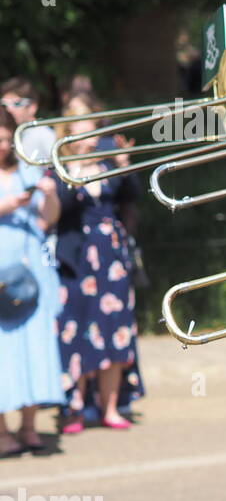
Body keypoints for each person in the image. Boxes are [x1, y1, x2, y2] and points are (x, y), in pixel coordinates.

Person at [53, 117, 143, 433]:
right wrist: (75, 169)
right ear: (69, 136)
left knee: (114, 329)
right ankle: (75, 409)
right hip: (76, 257)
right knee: (75, 330)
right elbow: (59, 209)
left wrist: (123, 162)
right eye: (82, 132)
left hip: (111, 257)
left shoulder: (107, 168)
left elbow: (131, 195)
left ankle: (110, 406)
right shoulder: (58, 169)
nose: (90, 139)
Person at [0, 108, 63, 456]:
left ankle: (28, 427)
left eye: (9, 139)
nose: (4, 145)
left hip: (32, 271)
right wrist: (8, 205)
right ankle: (1, 431)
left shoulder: (27, 169)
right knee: (2, 352)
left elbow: (46, 221)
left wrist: (50, 194)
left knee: (32, 346)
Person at [3, 77, 51, 165]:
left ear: (32, 107)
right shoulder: (10, 134)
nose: (9, 109)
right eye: (4, 105)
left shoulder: (43, 134)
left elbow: (62, 167)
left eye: (16, 104)